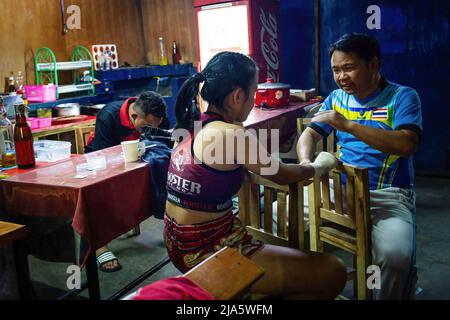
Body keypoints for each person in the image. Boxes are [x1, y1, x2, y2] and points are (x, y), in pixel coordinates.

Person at [165, 51, 347, 299]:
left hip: (177, 243)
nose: (255, 101)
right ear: (238, 96)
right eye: (253, 94)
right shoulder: (230, 134)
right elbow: (281, 174)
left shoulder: (192, 124)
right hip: (210, 249)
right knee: (333, 271)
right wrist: (318, 166)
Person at [297, 33, 422, 299]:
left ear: (374, 64)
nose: (342, 77)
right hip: (337, 189)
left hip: (387, 196)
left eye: (349, 68)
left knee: (396, 256)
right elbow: (309, 134)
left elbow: (406, 144)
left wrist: (348, 125)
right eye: (336, 70)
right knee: (279, 217)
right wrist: (306, 162)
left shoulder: (403, 97)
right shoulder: (336, 97)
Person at [85, 90, 169, 272]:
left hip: (134, 156)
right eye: (146, 127)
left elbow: (166, 140)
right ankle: (100, 244)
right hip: (99, 159)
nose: (150, 129)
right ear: (134, 116)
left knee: (162, 168)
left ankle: (168, 227)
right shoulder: (108, 116)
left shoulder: (155, 115)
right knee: (100, 187)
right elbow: (102, 155)